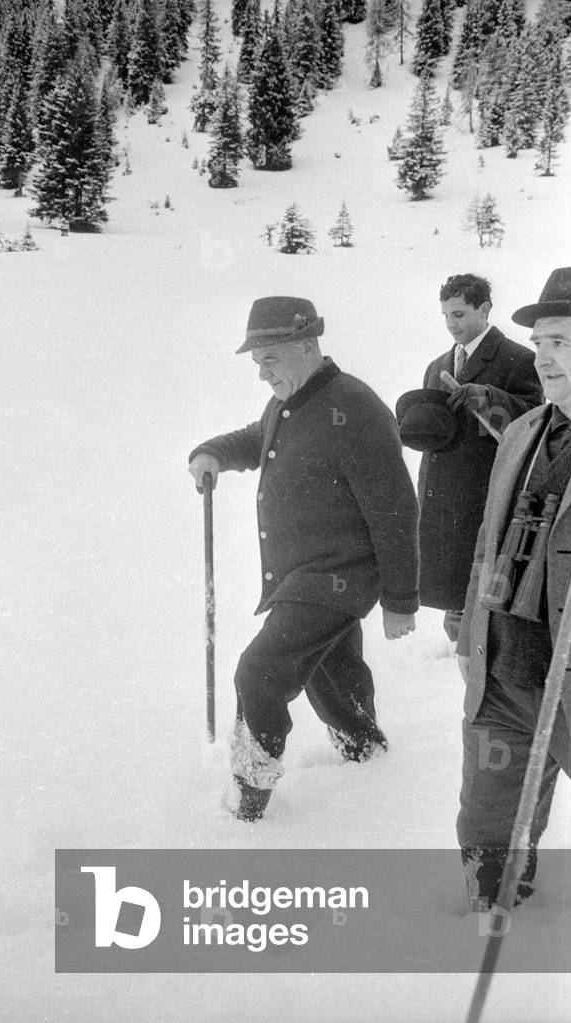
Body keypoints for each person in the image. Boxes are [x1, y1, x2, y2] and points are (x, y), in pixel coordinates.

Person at [188, 296, 419, 822]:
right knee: (332, 671)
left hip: (336, 577)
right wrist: (214, 453)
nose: (262, 374)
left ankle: (249, 796)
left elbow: (396, 511)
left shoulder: (355, 408)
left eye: (270, 359)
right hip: (302, 577)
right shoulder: (291, 401)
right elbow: (259, 439)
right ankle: (367, 754)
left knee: (260, 672)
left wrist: (401, 599)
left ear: (308, 346)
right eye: (257, 363)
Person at [456, 267, 571, 909]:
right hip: (505, 668)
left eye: (560, 341)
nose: (544, 357)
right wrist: (473, 626)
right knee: (488, 823)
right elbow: (488, 539)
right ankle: (491, 899)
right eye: (540, 343)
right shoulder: (528, 431)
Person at [405, 274, 543, 642]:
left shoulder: (518, 359)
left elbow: (533, 423)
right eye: (446, 316)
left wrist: (486, 396)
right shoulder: (438, 365)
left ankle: (478, 644)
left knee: (482, 579)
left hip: (485, 493)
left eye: (460, 314)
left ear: (484, 309)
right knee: (452, 582)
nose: (452, 325)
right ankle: (457, 634)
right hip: (442, 495)